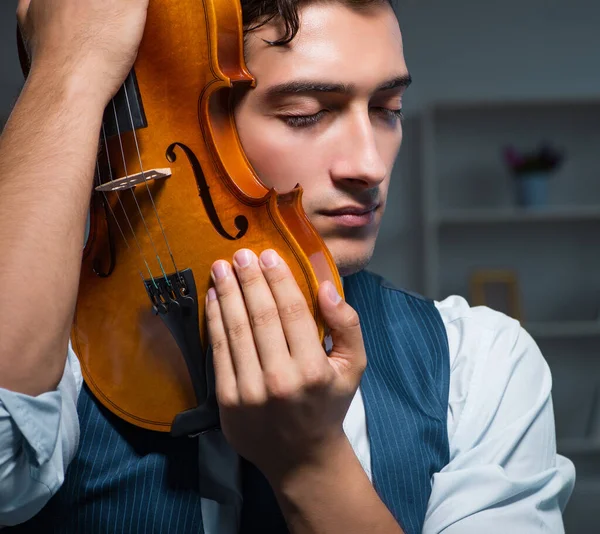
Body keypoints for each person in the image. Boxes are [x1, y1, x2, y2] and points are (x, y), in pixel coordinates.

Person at [0, 0, 575, 532]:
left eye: (388, 110)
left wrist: (309, 463)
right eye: (304, 114)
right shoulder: (52, 362)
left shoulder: (480, 362)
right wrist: (70, 70)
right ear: (182, 122)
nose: (369, 165)